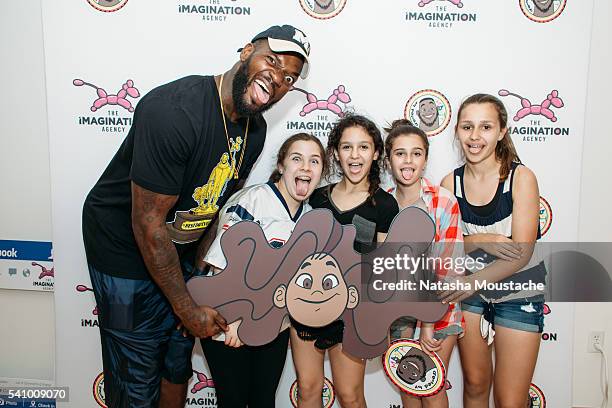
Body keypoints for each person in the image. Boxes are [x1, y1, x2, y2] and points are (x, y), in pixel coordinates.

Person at [81, 25, 310, 408]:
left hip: (178, 245)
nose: (278, 78)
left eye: (289, 77)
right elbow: (147, 224)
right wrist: (186, 307)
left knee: (176, 363)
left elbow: (217, 208)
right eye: (271, 60)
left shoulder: (254, 131)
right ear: (246, 51)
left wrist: (203, 279)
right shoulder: (174, 111)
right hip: (121, 248)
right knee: (135, 374)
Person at [201, 133, 327, 408]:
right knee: (233, 402)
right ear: (281, 165)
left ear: (321, 171)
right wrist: (234, 320)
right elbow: (221, 264)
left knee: (262, 401)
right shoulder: (253, 199)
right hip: (229, 321)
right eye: (297, 159)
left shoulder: (311, 217)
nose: (306, 167)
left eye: (314, 161)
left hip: (273, 326)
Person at [439, 94, 545, 407]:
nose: (475, 136)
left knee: (510, 400)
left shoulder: (521, 178)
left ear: (501, 131)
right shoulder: (450, 183)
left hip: (516, 290)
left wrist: (470, 279)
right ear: (456, 130)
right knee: (474, 384)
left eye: (485, 127)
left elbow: (521, 253)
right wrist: (482, 240)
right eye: (467, 127)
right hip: (468, 294)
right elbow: (446, 246)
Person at [290, 114, 399, 408]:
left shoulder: (385, 205)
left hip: (352, 313)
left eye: (363, 147)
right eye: (347, 147)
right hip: (307, 305)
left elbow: (384, 270)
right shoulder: (316, 198)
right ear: (336, 152)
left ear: (376, 153)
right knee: (308, 389)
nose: (355, 155)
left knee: (350, 395)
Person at [385, 119, 464, 408]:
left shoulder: (443, 202)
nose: (408, 160)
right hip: (398, 314)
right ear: (388, 160)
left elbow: (447, 268)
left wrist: (427, 323)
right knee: (407, 385)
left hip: (439, 310)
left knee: (429, 387)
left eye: (416, 153)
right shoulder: (383, 205)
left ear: (426, 159)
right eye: (400, 153)